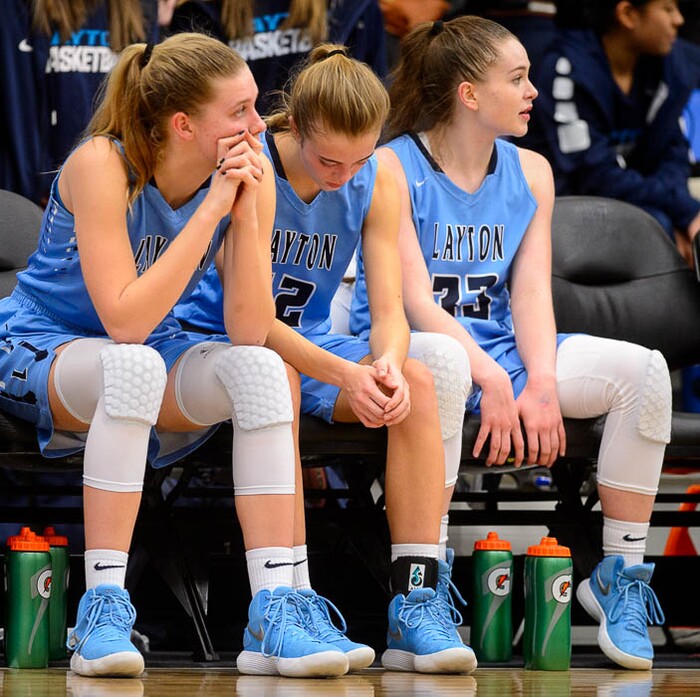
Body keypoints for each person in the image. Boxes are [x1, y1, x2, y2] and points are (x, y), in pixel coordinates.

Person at [0, 32, 352, 680]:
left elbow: (249, 326)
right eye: (240, 111)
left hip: (148, 352)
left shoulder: (252, 173)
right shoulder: (101, 164)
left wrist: (245, 212)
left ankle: (273, 608)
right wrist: (214, 205)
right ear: (185, 125)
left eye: (256, 106)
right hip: (45, 342)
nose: (258, 125)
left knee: (264, 371)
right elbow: (124, 319)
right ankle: (101, 609)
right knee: (132, 365)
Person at [350, 16, 672, 670]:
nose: (533, 91)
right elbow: (414, 303)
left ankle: (619, 577)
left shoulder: (531, 171)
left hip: (497, 347)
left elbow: (529, 295)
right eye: (517, 78)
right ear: (470, 93)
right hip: (409, 346)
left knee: (645, 371)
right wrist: (495, 382)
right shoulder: (391, 165)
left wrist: (542, 384)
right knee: (441, 362)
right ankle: (422, 591)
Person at [174, 43, 477, 674]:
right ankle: (290, 601)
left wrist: (385, 364)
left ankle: (416, 598)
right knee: (278, 370)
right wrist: (345, 372)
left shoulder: (379, 174)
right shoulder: (255, 168)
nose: (344, 174)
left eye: (359, 159)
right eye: (328, 160)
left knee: (416, 383)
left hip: (311, 341)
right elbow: (252, 324)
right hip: (226, 341)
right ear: (295, 129)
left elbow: (388, 305)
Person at [520, 0, 699, 262]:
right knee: (655, 226)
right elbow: (594, 175)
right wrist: (684, 210)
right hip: (569, 209)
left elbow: (673, 154)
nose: (679, 20)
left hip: (643, 200)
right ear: (627, 14)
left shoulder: (667, 67)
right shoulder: (566, 68)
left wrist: (683, 215)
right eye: (668, 9)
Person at [0, 0, 165, 206]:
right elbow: (19, 105)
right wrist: (37, 184)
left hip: (118, 187)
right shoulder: (20, 8)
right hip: (42, 193)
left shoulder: (141, 8)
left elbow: (143, 107)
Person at [166, 0, 387, 116]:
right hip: (237, 159)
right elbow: (191, 105)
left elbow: (372, 95)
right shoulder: (199, 9)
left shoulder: (351, 7)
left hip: (323, 159)